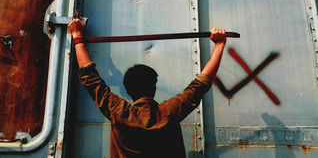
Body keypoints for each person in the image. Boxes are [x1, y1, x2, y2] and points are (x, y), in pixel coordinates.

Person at [68, 18, 227, 158]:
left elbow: (90, 78)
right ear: (154, 87)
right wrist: (220, 45)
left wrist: (77, 36)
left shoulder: (118, 111)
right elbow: (200, 85)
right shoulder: (169, 112)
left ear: (128, 90)